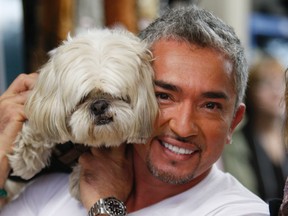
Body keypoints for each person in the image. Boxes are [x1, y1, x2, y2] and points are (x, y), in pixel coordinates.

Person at [0, 6, 269, 215]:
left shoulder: (241, 211)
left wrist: (105, 206)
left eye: (210, 106)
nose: (183, 127)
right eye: (164, 96)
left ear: (233, 122)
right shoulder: (49, 190)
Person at [222, 54, 288, 202]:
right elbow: (242, 194)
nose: (276, 91)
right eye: (267, 83)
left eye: (281, 83)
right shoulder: (237, 140)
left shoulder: (285, 136)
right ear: (251, 92)